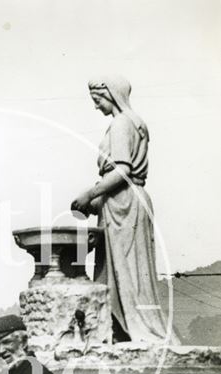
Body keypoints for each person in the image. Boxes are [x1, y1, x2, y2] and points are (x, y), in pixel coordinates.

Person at [71, 74, 176, 344]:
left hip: (124, 205)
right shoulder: (136, 123)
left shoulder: (121, 124)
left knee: (126, 273)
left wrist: (90, 194)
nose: (96, 106)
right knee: (118, 272)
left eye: (97, 100)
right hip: (123, 202)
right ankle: (119, 331)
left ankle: (134, 331)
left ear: (111, 94)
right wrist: (97, 202)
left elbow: (122, 171)